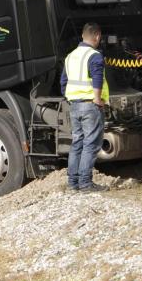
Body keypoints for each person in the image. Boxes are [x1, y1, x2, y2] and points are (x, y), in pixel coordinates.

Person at [60, 22, 109, 193]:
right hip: (90, 105)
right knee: (91, 144)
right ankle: (86, 184)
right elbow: (96, 78)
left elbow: (63, 83)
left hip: (74, 106)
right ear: (97, 36)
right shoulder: (94, 55)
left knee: (77, 144)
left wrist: (71, 98)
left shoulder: (70, 56)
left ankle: (73, 184)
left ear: (82, 36)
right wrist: (97, 98)